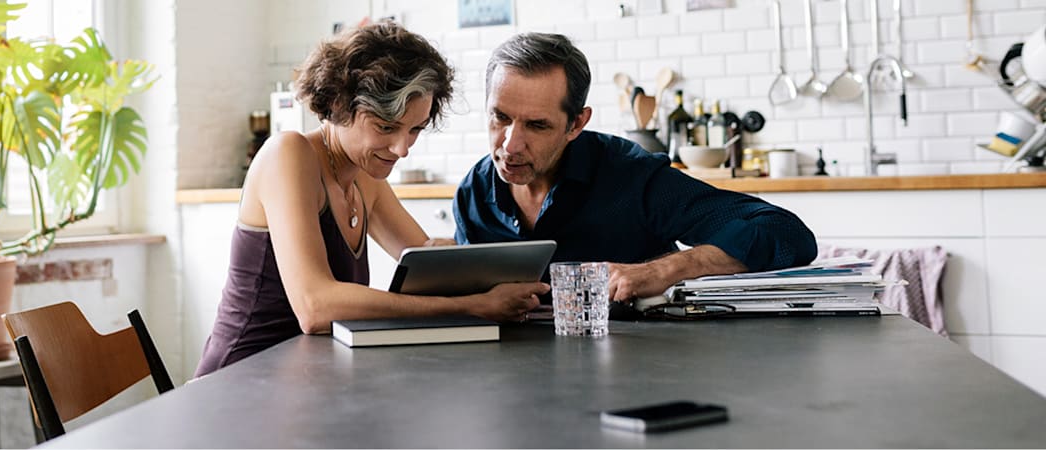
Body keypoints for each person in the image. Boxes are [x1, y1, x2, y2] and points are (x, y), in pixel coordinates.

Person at [195, 23, 549, 377]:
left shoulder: (365, 176)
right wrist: (472, 306)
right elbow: (315, 308)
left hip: (306, 378)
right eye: (385, 127)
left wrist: (482, 269)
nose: (402, 148)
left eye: (415, 129)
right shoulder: (288, 155)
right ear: (338, 104)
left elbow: (426, 266)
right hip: (239, 380)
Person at [454, 32, 817, 308]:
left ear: (576, 124)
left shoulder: (631, 178)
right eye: (500, 118)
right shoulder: (473, 193)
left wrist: (663, 270)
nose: (510, 144)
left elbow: (788, 233)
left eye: (537, 125)